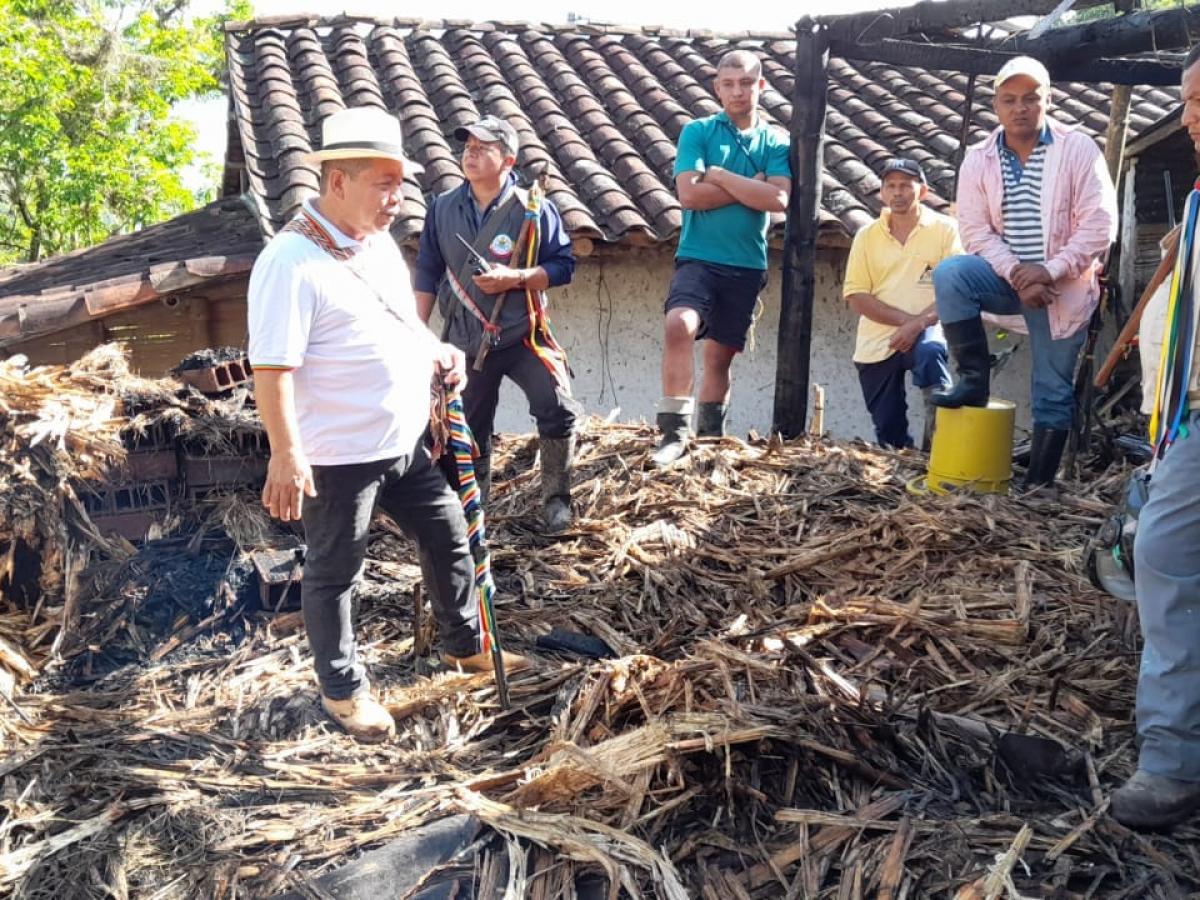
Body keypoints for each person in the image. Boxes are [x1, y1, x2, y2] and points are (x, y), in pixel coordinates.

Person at [248, 106, 527, 743]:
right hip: (340, 453)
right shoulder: (289, 262)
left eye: (399, 184)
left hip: (402, 441)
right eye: (383, 184)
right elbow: (272, 368)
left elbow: (401, 325)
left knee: (448, 532)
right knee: (334, 571)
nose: (396, 199)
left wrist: (439, 352)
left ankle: (463, 645)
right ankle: (342, 688)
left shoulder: (374, 249)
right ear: (336, 181)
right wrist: (286, 455)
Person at [931, 56, 1117, 489]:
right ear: (995, 105)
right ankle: (973, 381)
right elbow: (974, 230)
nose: (1021, 108)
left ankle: (1036, 486)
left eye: (1031, 99)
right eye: (1010, 100)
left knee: (1052, 388)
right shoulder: (979, 157)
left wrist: (1048, 273)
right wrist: (1018, 273)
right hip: (1007, 278)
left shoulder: (1077, 149)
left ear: (1047, 101)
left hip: (1063, 288)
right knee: (951, 274)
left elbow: (1099, 226)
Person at [1110, 42, 1200, 831]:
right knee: (1163, 556)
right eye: (1192, 103)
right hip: (1189, 422)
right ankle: (1172, 759)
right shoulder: (1198, 207)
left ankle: (1174, 758)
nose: (1196, 118)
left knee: (1167, 557)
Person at [414, 115, 581, 531]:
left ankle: (557, 500)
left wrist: (517, 278)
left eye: (482, 147)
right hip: (466, 338)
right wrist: (416, 334)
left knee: (558, 406)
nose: (470, 154)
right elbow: (427, 269)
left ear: (508, 159)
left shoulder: (534, 207)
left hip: (523, 333)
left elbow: (563, 266)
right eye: (467, 146)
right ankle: (474, 508)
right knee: (467, 426)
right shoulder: (442, 208)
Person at [651, 49, 791, 466]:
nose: (738, 91)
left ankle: (710, 438)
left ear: (760, 86)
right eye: (728, 84)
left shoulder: (776, 140)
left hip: (747, 263)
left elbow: (779, 198)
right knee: (679, 324)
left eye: (746, 82)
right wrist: (753, 186)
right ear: (716, 87)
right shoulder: (698, 132)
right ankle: (673, 434)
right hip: (697, 256)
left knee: (720, 356)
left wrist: (723, 177)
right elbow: (689, 195)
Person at [844, 158, 961, 450]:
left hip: (929, 327)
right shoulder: (866, 235)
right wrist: (907, 324)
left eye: (906, 186)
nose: (898, 193)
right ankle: (900, 473)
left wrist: (918, 325)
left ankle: (938, 452)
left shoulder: (945, 229)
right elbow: (857, 295)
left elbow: (956, 290)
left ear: (922, 191)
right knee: (888, 426)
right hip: (876, 339)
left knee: (932, 352)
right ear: (882, 193)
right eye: (891, 186)